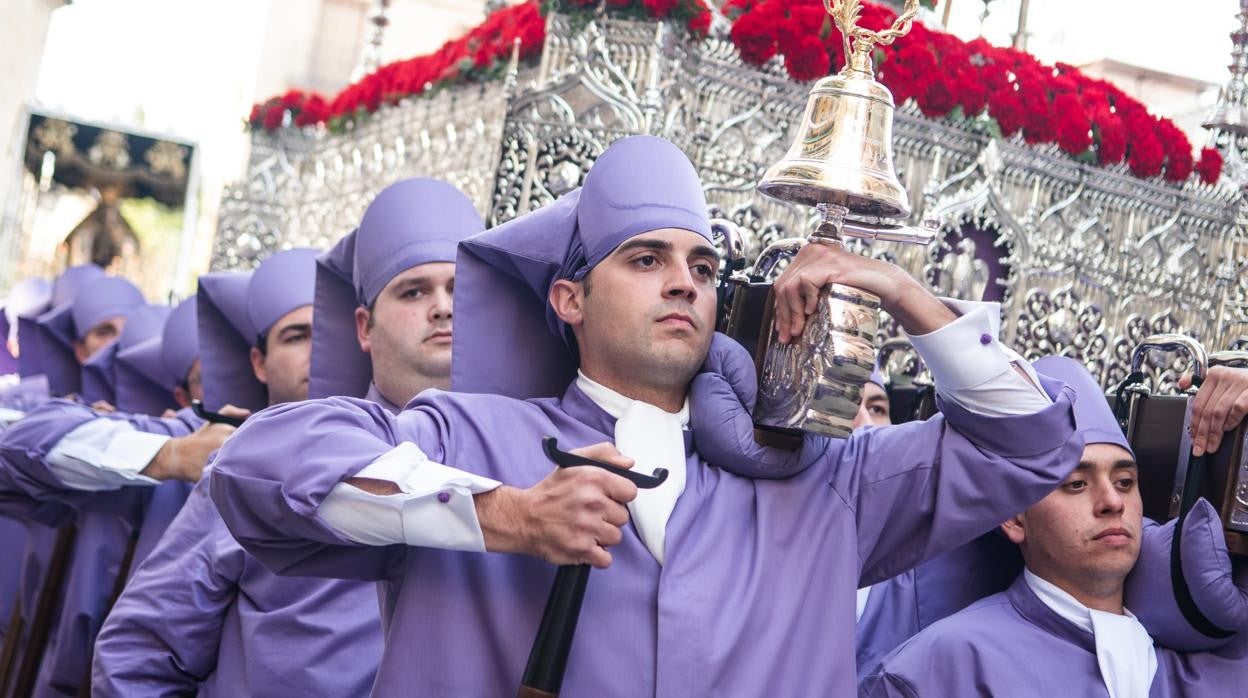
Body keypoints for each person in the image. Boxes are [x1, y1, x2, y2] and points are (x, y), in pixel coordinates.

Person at [207, 135, 1083, 696]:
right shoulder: (471, 436)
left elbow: (1030, 442)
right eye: (646, 258)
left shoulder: (827, 486)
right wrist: (506, 514)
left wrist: (895, 288)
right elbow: (258, 468)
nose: (684, 282)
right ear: (569, 299)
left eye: (704, 267)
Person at [860, 356, 1248, 697]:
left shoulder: (1217, 655)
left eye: (1125, 482)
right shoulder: (942, 668)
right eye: (1076, 484)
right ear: (1014, 516)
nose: (1113, 502)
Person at [93, 248, 384, 697]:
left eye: (327, 334)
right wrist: (171, 455)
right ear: (258, 361)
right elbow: (137, 653)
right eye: (297, 336)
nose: (318, 353)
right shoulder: (235, 456)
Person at [309, 177, 484, 411]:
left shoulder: (529, 439)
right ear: (364, 327)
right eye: (413, 292)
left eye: (458, 289)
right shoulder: (328, 443)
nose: (443, 308)